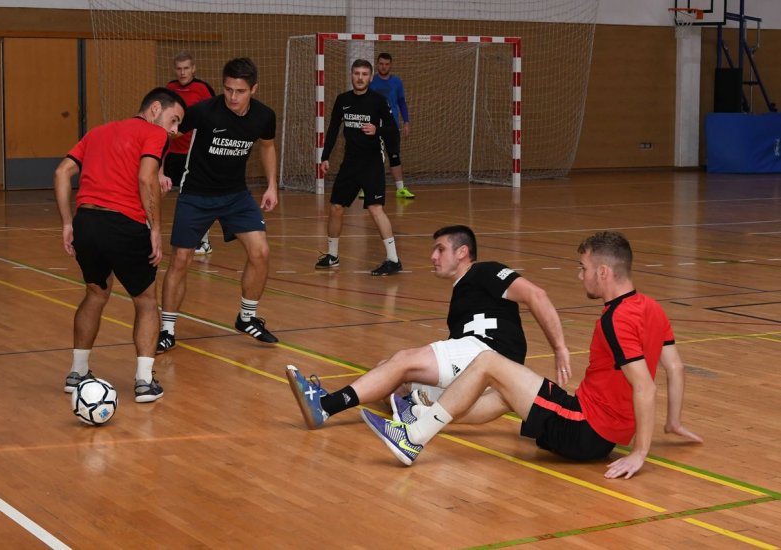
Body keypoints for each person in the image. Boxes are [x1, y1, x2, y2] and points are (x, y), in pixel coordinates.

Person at [361, 231, 704, 479]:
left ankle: (413, 438)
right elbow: (675, 367)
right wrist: (672, 422)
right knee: (506, 392)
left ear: (604, 272)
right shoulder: (652, 308)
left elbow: (645, 387)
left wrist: (641, 453)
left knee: (489, 363)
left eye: (583, 268)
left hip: (585, 430)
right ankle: (418, 415)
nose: (579, 274)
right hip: (596, 430)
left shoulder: (617, 319)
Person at [288, 225, 570, 429]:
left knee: (403, 361)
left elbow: (537, 295)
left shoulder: (484, 271)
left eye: (440, 249)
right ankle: (417, 410)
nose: (433, 257)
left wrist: (559, 348)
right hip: (478, 366)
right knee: (388, 371)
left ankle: (326, 406)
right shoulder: (463, 294)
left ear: (462, 252)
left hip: (489, 353)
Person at [54, 87, 186, 403]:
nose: (175, 130)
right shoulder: (154, 134)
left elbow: (62, 172)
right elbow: (145, 178)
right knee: (145, 299)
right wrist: (155, 228)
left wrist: (67, 222)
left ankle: (77, 372)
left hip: (86, 222)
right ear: (156, 109)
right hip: (125, 225)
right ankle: (143, 381)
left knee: (96, 292)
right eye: (174, 119)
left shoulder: (98, 132)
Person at [157, 57, 279, 354]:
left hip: (236, 195)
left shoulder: (264, 116)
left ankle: (246, 318)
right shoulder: (203, 112)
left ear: (254, 89)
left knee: (260, 251)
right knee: (181, 261)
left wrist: (272, 185)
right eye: (228, 90)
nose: (233, 97)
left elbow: (267, 145)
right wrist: (159, 170)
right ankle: (167, 329)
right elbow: (166, 133)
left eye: (240, 91)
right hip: (196, 194)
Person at [315, 59, 404, 276]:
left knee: (375, 209)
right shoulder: (343, 100)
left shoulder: (378, 101)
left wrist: (378, 130)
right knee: (336, 207)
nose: (360, 77)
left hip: (372, 162)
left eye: (365, 74)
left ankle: (393, 260)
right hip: (350, 163)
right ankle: (333, 255)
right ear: (351, 75)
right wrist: (325, 156)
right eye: (357, 73)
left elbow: (393, 129)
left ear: (370, 77)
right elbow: (334, 128)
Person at [164, 51, 216, 256]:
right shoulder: (169, 88)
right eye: (179, 68)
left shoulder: (202, 89)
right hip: (171, 151)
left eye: (186, 68)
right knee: (156, 188)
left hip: (193, 152)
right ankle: (147, 231)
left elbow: (215, 116)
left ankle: (203, 241)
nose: (182, 72)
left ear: (193, 68)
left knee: (195, 194)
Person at [369, 52, 414, 199]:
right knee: (371, 156)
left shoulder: (397, 82)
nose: (384, 66)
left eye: (387, 64)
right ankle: (367, 187)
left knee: (394, 156)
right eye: (381, 64)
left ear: (390, 65)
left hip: (392, 126)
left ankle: (400, 189)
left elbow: (401, 102)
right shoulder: (371, 82)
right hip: (373, 126)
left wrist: (406, 122)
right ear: (377, 64)